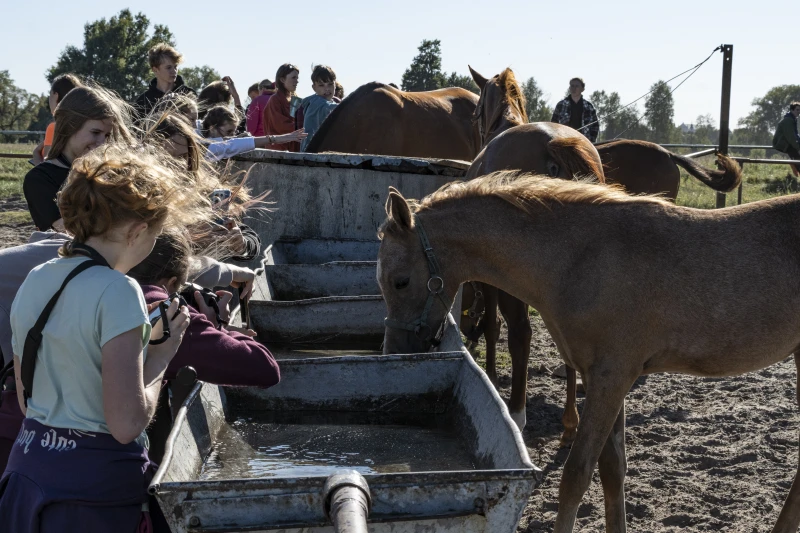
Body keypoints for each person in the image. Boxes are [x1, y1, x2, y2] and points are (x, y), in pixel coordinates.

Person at [0, 143, 211, 532]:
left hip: (28, 476)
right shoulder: (120, 291)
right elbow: (127, 423)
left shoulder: (38, 277)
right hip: (90, 496)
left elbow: (28, 398)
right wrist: (161, 358)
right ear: (136, 231)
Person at [127, 232, 280, 385]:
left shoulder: (110, 284)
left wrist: (229, 272)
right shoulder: (172, 318)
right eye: (180, 287)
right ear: (172, 282)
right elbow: (267, 369)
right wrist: (216, 327)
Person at [23, 86, 136, 232]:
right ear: (70, 126)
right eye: (95, 132)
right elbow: (68, 231)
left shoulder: (111, 173)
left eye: (107, 135)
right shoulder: (39, 179)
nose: (102, 143)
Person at [200, 105, 306, 161]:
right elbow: (231, 145)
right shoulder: (204, 146)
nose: (231, 136)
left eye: (234, 132)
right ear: (212, 128)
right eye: (228, 132)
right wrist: (279, 138)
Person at [31, 74, 82, 165]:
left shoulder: (55, 127)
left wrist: (36, 157)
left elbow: (49, 168)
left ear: (55, 95)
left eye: (50, 94)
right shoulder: (83, 125)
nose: (49, 99)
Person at [134, 43, 196, 117]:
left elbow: (202, 123)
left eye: (175, 67)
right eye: (169, 67)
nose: (174, 71)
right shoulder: (143, 101)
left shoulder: (188, 94)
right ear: (155, 69)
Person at [263, 64, 303, 151]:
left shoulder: (294, 99)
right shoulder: (275, 99)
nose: (297, 81)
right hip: (279, 149)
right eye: (293, 78)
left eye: (297, 78)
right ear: (282, 79)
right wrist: (304, 127)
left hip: (293, 147)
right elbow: (280, 126)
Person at [299, 65, 339, 151]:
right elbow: (328, 107)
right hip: (310, 153)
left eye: (330, 84)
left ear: (335, 85)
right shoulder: (316, 102)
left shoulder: (332, 102)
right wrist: (350, 106)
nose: (327, 89)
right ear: (314, 88)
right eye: (321, 85)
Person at [551, 77, 600, 143]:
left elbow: (595, 126)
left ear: (582, 89)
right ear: (569, 88)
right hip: (565, 142)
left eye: (577, 86)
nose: (574, 88)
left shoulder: (589, 107)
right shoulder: (561, 105)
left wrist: (591, 141)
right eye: (572, 86)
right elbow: (553, 124)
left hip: (584, 143)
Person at [772, 102, 800, 177]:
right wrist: (798, 147)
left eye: (799, 110)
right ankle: (794, 163)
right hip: (782, 143)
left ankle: (793, 163)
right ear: (792, 110)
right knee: (798, 159)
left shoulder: (792, 119)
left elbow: (795, 135)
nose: (798, 112)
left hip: (788, 143)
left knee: (797, 157)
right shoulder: (788, 120)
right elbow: (791, 137)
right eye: (797, 110)